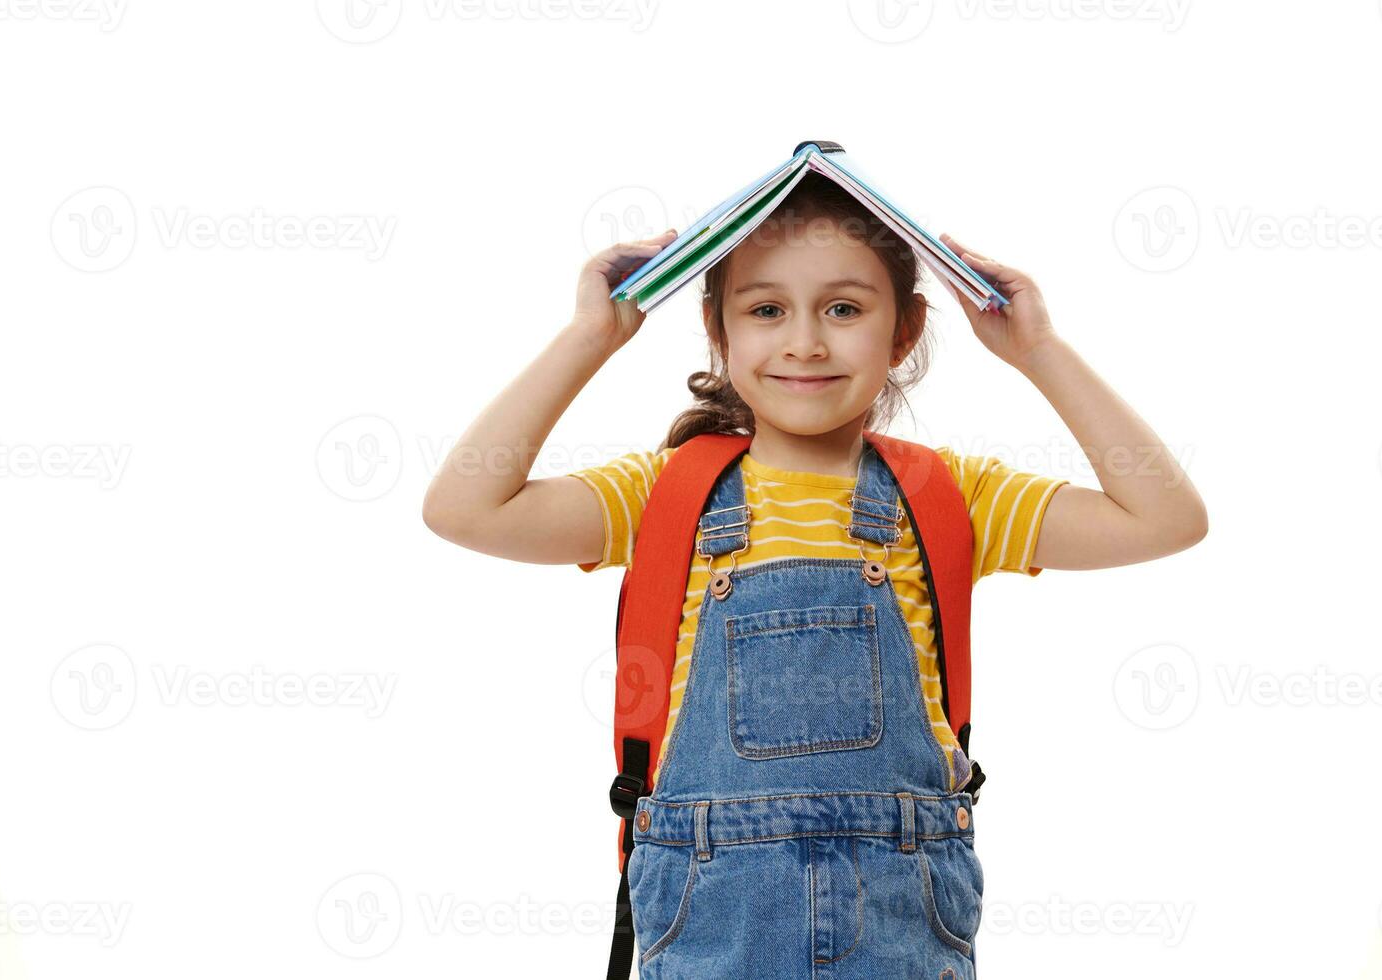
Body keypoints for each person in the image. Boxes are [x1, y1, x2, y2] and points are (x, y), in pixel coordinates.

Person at [423, 172, 1208, 978]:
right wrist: (592, 334)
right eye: (765, 310)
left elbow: (1164, 519)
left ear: (902, 332)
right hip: (709, 919)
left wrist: (1038, 351)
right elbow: (465, 509)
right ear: (717, 331)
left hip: (899, 917)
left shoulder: (949, 496)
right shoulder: (664, 495)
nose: (804, 341)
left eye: (843, 308)